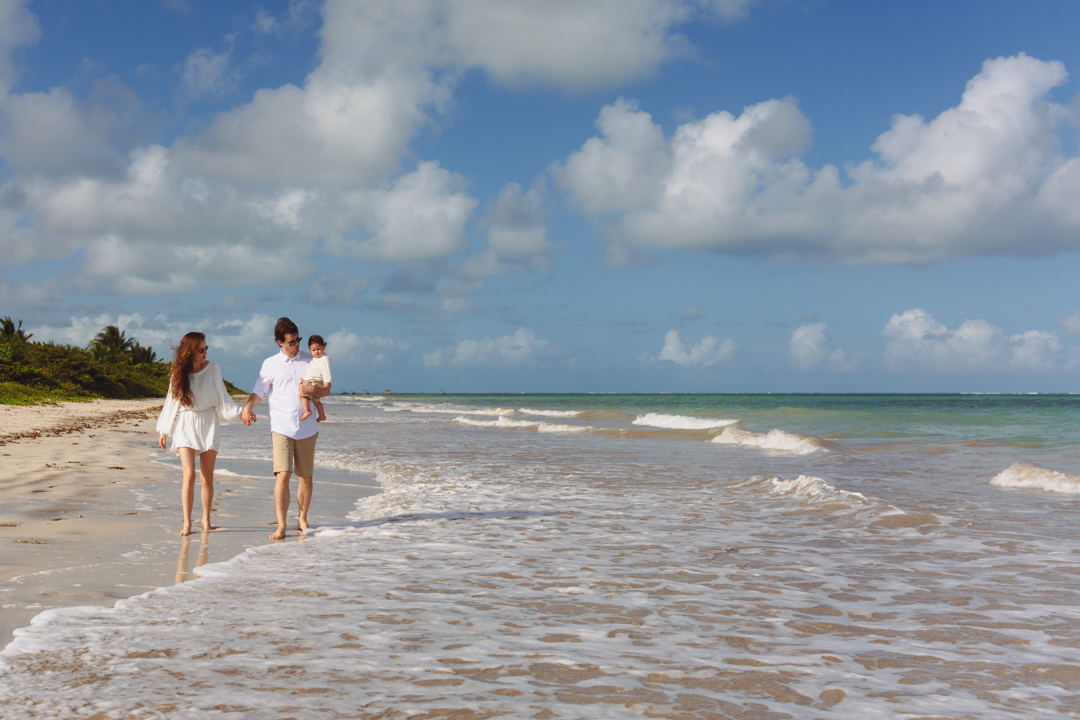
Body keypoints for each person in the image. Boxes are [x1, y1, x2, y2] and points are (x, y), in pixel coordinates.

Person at [241, 317, 331, 540]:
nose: (297, 345)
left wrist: (314, 390)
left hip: (307, 427)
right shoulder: (270, 364)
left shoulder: (312, 360)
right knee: (283, 474)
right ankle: (281, 524)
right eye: (291, 342)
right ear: (280, 342)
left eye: (298, 340)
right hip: (281, 425)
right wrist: (247, 408)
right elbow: (259, 391)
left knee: (306, 477)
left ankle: (302, 518)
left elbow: (326, 391)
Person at [156, 332, 242, 536]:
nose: (205, 353)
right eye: (201, 349)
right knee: (189, 476)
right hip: (186, 423)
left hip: (209, 422)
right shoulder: (179, 374)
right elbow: (171, 401)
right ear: (190, 352)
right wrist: (164, 430)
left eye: (206, 349)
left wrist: (241, 413)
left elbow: (223, 398)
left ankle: (206, 518)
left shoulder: (213, 368)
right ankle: (187, 523)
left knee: (207, 478)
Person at [299, 335, 332, 423]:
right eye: (313, 350)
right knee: (316, 401)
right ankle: (322, 415)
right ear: (310, 349)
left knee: (302, 394)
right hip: (315, 381)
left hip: (315, 381)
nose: (316, 352)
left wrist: (327, 381)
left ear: (323, 347)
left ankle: (307, 411)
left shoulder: (324, 359)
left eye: (318, 349)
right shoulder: (316, 359)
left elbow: (326, 370)